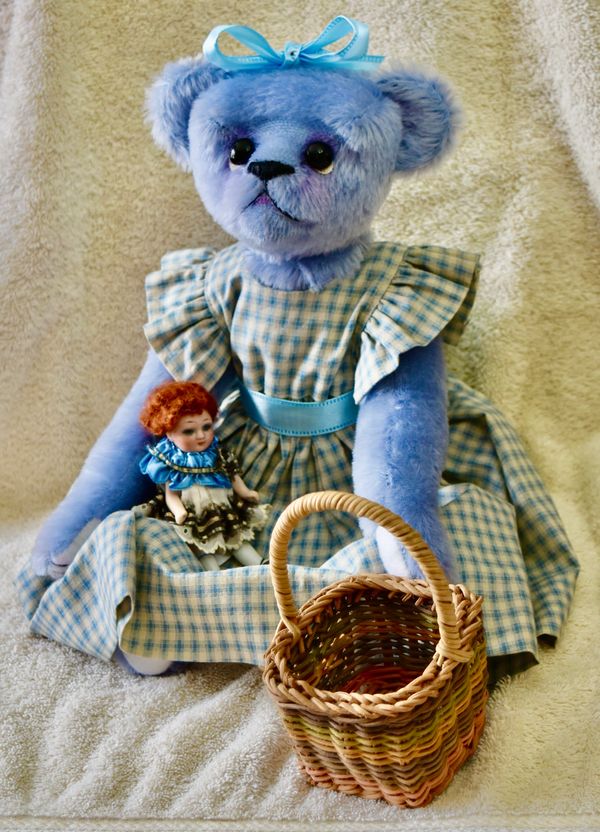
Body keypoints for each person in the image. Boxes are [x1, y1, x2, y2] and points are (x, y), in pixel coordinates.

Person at [138, 380, 269, 571]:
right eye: (189, 431)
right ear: (169, 433)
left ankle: (260, 564)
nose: (201, 436)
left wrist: (245, 492)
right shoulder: (172, 461)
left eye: (206, 427)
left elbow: (232, 475)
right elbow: (171, 494)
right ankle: (213, 576)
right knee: (202, 548)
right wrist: (179, 511)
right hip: (193, 512)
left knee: (236, 538)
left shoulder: (216, 453)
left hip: (222, 507)